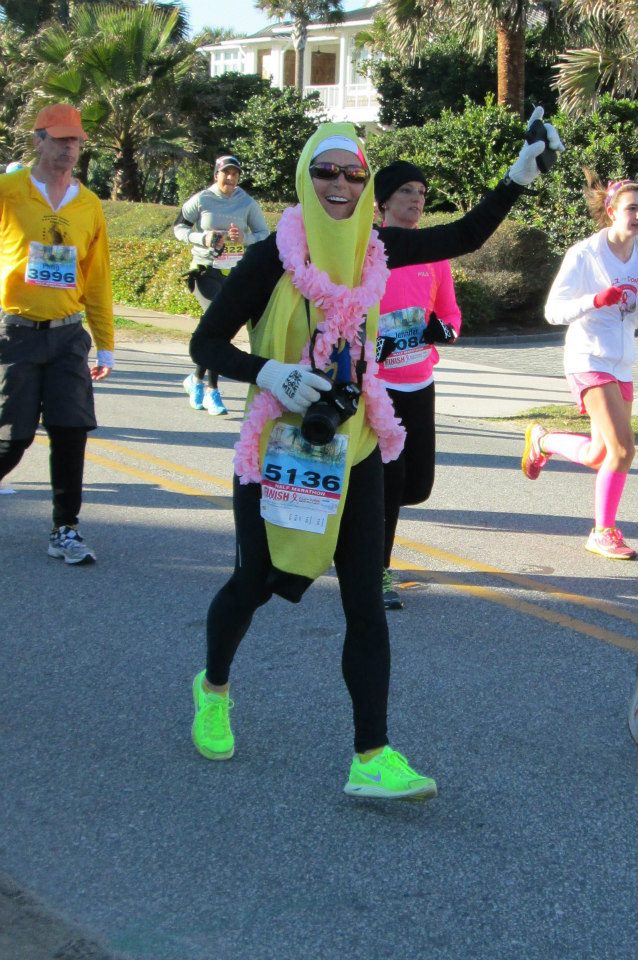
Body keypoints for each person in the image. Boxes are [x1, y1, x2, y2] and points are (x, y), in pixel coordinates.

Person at [189, 112, 562, 800]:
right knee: (255, 582)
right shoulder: (271, 257)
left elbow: (464, 236)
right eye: (325, 171)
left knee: (364, 600)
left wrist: (519, 174)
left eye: (353, 173)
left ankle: (371, 755)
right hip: (280, 447)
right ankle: (213, 689)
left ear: (366, 183)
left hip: (355, 442)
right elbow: (205, 343)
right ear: (305, 177)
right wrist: (272, 374)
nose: (339, 183)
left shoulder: (376, 246)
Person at [0, 103, 114, 564]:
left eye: (76, 140)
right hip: (16, 333)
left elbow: (98, 278)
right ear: (39, 139)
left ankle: (65, 529)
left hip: (68, 336)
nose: (70, 148)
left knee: (71, 432)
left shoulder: (88, 205)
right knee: (12, 439)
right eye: (61, 138)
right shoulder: (8, 191)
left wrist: (106, 344)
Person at [522, 170, 637, 560]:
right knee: (623, 449)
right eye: (632, 208)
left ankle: (543, 441)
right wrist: (595, 301)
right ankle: (603, 532)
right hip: (588, 357)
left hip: (622, 361)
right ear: (612, 211)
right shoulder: (585, 254)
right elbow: (553, 311)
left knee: (599, 455)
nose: (637, 216)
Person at [374, 161, 462, 610]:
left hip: (420, 381)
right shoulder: (367, 253)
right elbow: (342, 314)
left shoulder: (433, 254)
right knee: (389, 486)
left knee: (417, 487)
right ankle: (376, 572)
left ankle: (358, 522)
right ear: (383, 202)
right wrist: (373, 345)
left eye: (422, 192)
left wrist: (441, 331)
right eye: (407, 191)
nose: (416, 199)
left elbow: (451, 314)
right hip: (378, 387)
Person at [173, 155, 269, 415]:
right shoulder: (202, 199)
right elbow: (179, 227)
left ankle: (195, 379)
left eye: (235, 174)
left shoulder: (247, 203)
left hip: (234, 273)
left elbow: (264, 235)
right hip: (204, 271)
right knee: (217, 322)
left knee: (219, 328)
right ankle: (212, 391)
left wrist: (244, 238)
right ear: (216, 174)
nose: (230, 178)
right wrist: (202, 238)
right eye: (226, 173)